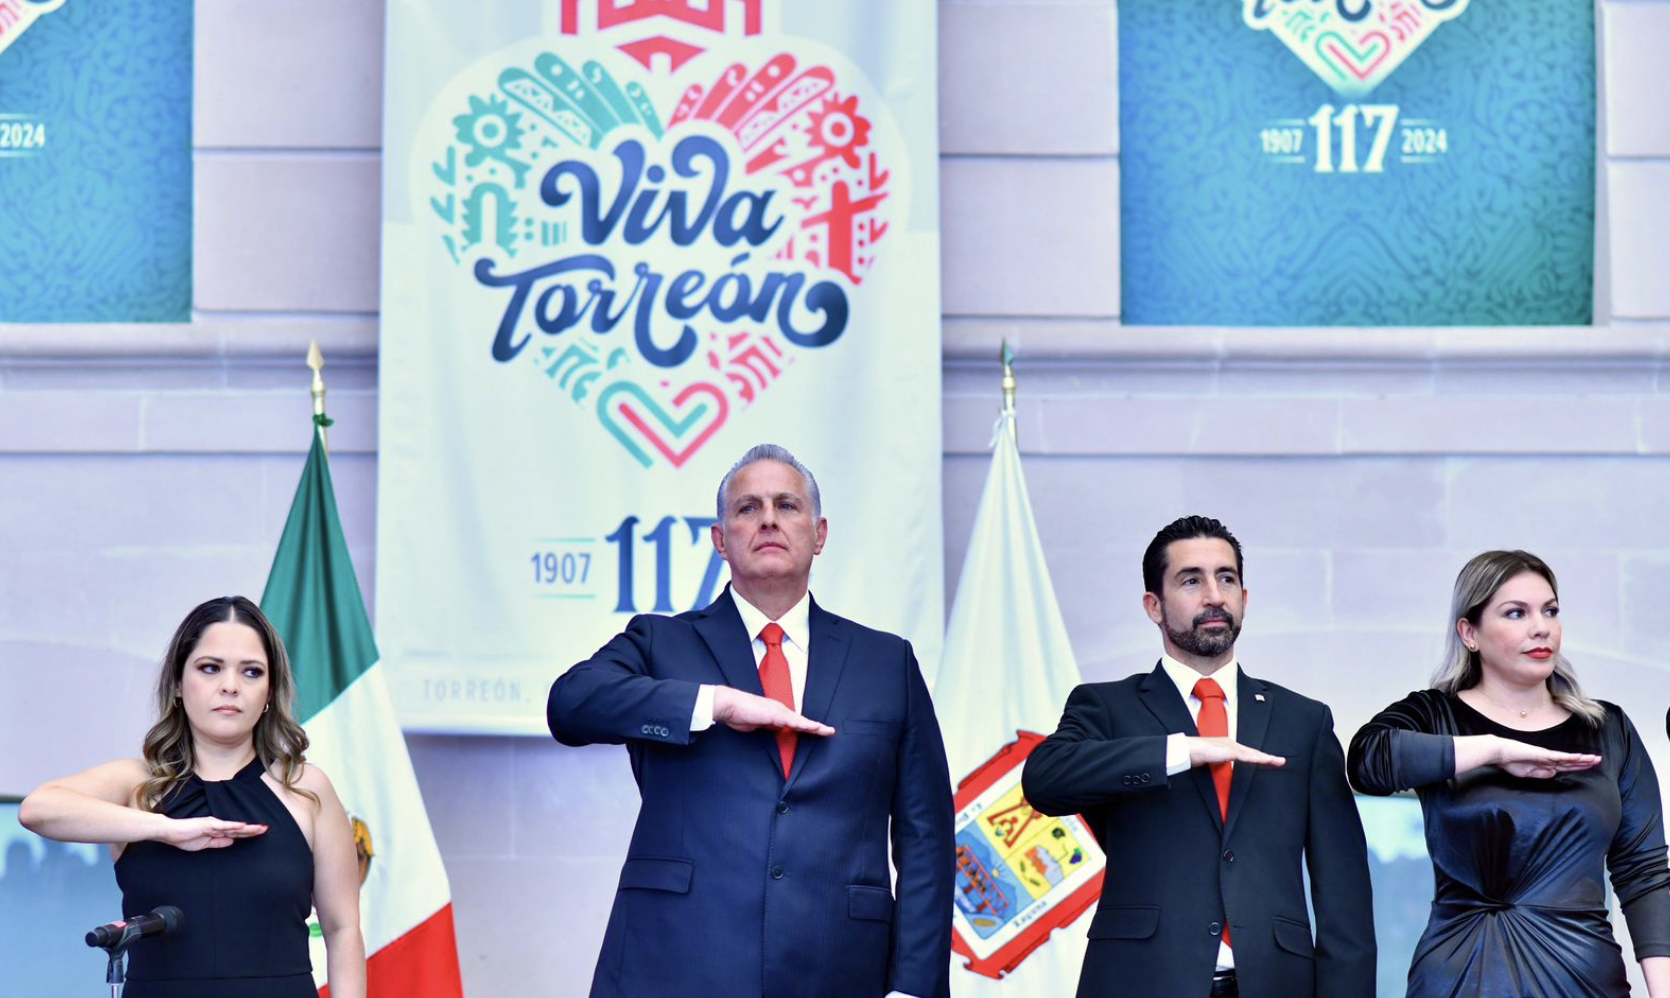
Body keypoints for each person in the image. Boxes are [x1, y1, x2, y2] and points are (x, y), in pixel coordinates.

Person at [548, 443, 954, 998]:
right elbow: (571, 704)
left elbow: (926, 837)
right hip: (676, 962)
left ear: (820, 534)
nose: (768, 518)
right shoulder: (661, 642)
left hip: (840, 968)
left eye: (787, 505)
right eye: (747, 508)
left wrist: (915, 986)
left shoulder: (886, 662)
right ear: (719, 539)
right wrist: (715, 705)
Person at [1023, 515, 1375, 998]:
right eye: (1191, 580)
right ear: (1154, 605)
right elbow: (1045, 781)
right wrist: (1182, 750)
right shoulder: (1105, 706)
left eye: (1226, 578)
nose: (1214, 595)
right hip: (1141, 981)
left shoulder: (1304, 721)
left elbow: (1344, 894)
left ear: (1245, 599)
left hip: (1275, 983)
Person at [1349, 550, 1670, 998]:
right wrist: (1494, 750)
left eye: (1550, 611)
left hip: (1582, 976)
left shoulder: (1607, 728)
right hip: (1462, 974)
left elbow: (1645, 871)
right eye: (1516, 613)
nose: (1541, 627)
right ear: (1469, 633)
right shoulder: (1433, 714)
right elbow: (1367, 762)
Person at [20, 596, 364, 998]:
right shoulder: (139, 785)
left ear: (270, 690)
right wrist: (167, 830)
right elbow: (38, 810)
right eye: (210, 668)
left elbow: (342, 930)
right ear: (179, 684)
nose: (230, 686)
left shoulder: (306, 789)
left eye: (251, 672)